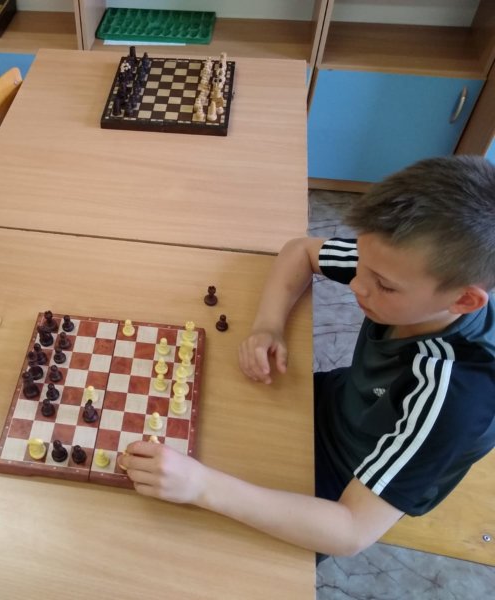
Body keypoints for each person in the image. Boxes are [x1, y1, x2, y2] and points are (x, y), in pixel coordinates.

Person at [121, 156, 495, 557]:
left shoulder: (454, 394)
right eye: (362, 263)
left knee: (209, 551)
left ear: (464, 300)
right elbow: (300, 251)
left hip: (354, 475)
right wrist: (268, 326)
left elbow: (351, 531)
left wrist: (202, 487)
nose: (357, 285)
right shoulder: (393, 265)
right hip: (339, 403)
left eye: (383, 286)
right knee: (208, 412)